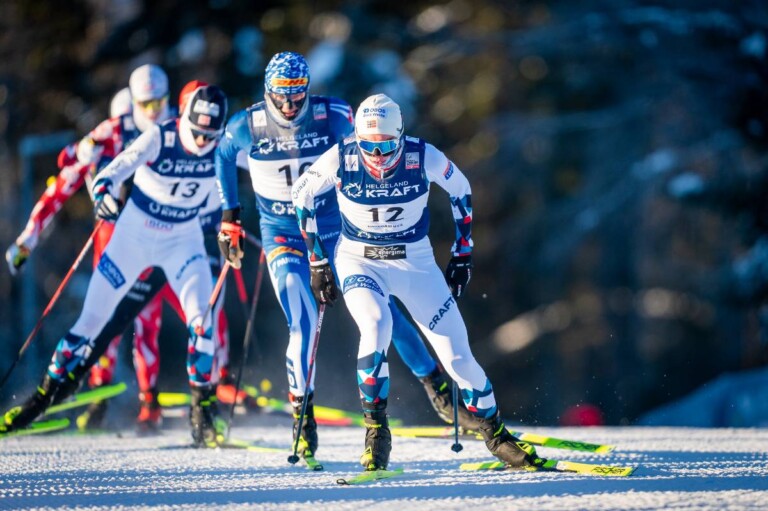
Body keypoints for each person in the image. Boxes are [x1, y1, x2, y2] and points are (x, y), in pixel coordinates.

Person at [215, 52, 473, 460]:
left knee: (386, 309)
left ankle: (436, 386)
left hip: (336, 232)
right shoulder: (247, 125)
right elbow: (223, 155)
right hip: (284, 235)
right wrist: (231, 215)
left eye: (297, 95)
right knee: (301, 321)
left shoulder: (332, 114)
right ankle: (304, 416)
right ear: (267, 92)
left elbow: (367, 153)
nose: (288, 105)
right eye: (280, 96)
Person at [290, 93, 540, 470]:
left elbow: (461, 188)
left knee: (458, 357)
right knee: (376, 326)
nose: (377, 156)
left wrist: (462, 253)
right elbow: (301, 193)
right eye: (369, 146)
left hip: (415, 264)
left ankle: (496, 434)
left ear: (401, 136)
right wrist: (317, 262)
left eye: (387, 145)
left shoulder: (422, 155)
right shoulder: (341, 156)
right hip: (360, 261)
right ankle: (376, 432)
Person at [2, 81, 230, 448]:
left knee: (203, 322)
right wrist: (104, 193)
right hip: (132, 241)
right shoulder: (159, 136)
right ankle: (42, 398)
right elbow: (113, 169)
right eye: (197, 132)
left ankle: (203, 411)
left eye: (210, 135)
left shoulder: (223, 143)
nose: (202, 142)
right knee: (91, 324)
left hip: (182, 245)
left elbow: (260, 161)